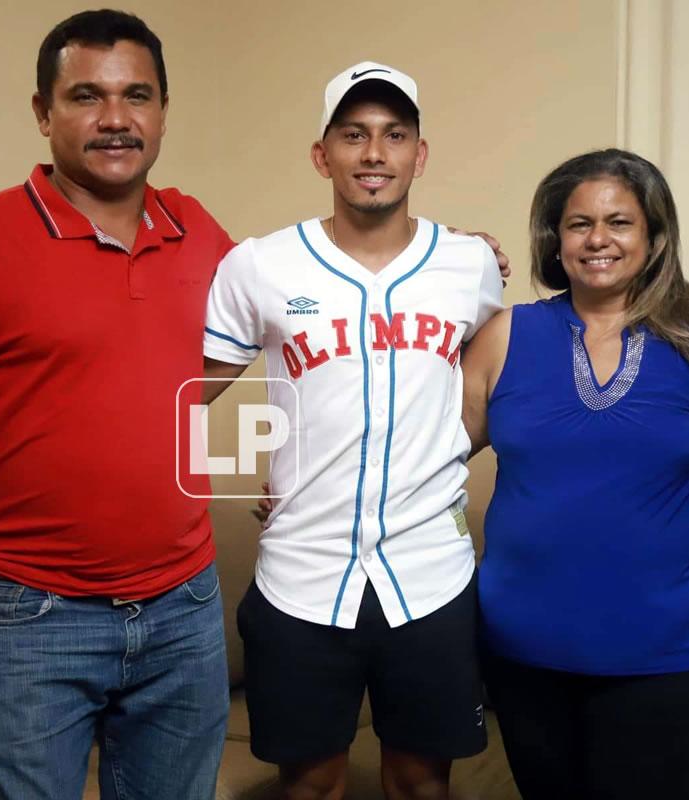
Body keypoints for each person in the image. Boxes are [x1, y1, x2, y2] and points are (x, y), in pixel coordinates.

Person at [0, 11, 234, 798]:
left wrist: (441, 254)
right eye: (86, 96)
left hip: (184, 609)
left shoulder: (198, 228)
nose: (115, 119)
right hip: (29, 619)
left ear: (163, 110)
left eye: (136, 95)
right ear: (43, 113)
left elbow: (312, 295)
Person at [202, 63, 503, 800]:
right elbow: (186, 392)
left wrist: (427, 459)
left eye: (394, 135)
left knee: (423, 783)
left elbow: (493, 390)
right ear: (322, 155)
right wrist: (270, 467)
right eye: (355, 135)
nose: (374, 153)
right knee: (308, 785)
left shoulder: (470, 265)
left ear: (419, 155)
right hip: (301, 576)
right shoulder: (258, 265)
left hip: (430, 572)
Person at [460, 148, 689, 800]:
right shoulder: (506, 336)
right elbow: (422, 454)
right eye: (578, 223)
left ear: (654, 237)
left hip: (664, 658)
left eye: (620, 222)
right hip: (522, 653)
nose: (598, 239)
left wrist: (678, 541)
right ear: (555, 241)